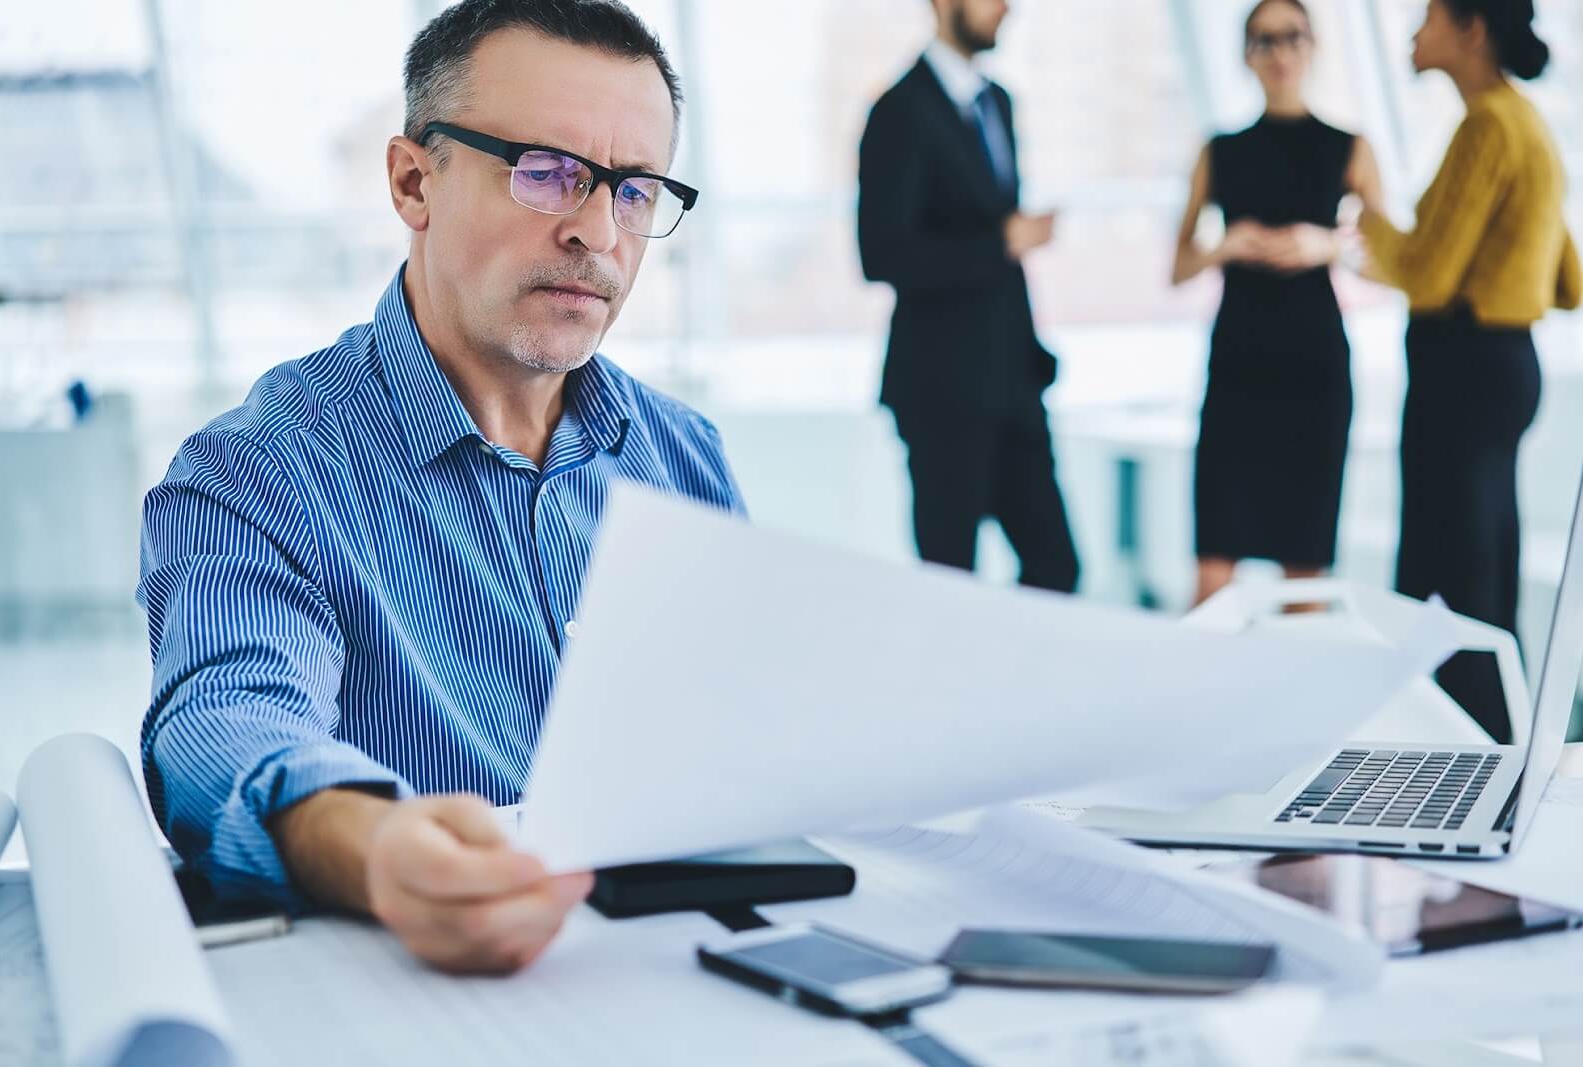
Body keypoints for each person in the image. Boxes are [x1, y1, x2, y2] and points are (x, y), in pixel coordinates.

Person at [136, 0, 742, 974]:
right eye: (547, 173)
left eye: (634, 191)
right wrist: (378, 846)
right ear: (414, 181)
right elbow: (225, 727)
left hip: (679, 970)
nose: (599, 232)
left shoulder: (685, 459)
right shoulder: (255, 471)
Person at [1361, 0, 1580, 741]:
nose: (1413, 36)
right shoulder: (1531, 123)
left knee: (1447, 573)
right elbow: (1569, 282)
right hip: (1507, 365)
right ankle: (1495, 741)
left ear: (1471, 29)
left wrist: (1368, 214)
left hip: (1461, 368)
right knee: (1485, 560)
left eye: (1427, 19)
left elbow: (1427, 276)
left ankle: (1461, 750)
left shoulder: (1486, 124)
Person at [857, 0, 1078, 593]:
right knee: (950, 583)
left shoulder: (998, 102)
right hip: (941, 389)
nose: (1007, 8)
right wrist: (1001, 241)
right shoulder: (897, 112)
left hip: (1014, 381)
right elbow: (880, 255)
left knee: (1058, 568)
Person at [1173, 0, 1384, 608]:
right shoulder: (1219, 150)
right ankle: (1200, 702)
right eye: (1264, 41)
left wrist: (1328, 246)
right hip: (1237, 369)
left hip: (1312, 371)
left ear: (1313, 46)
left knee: (1304, 568)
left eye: (1292, 37)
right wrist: (1224, 247)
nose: (1280, 52)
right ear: (1246, 56)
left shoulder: (1350, 146)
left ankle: (1299, 702)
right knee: (1213, 568)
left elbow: (1394, 260)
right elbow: (1178, 265)